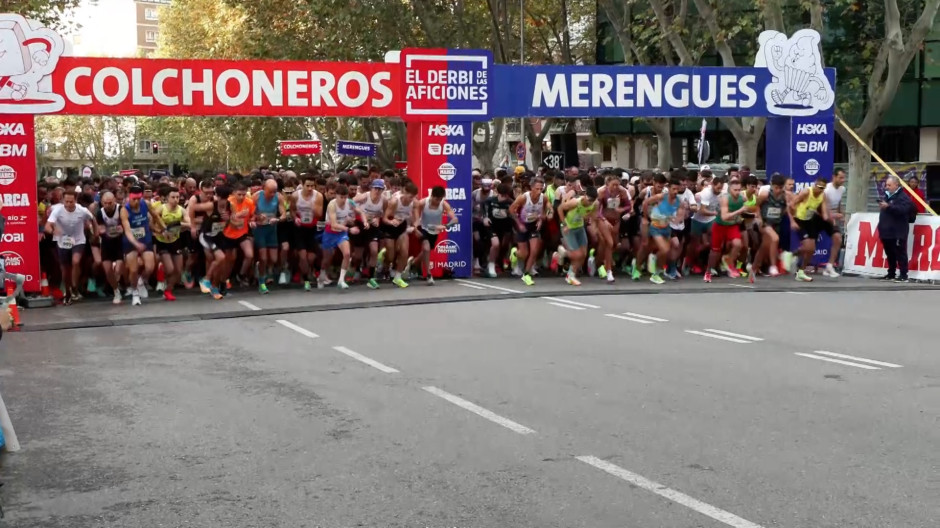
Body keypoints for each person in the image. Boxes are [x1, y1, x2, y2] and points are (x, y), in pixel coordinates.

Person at [45, 190, 99, 305]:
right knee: (65, 269)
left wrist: (96, 233)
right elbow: (47, 226)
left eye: (71, 201)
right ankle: (68, 290)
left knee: (75, 261)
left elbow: (93, 219)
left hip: (78, 240)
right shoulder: (58, 210)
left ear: (76, 200)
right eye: (67, 201)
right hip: (62, 241)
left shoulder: (82, 210)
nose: (69, 204)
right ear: (63, 200)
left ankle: (75, 286)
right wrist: (54, 230)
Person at [789, 177, 837, 282]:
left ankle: (801, 270)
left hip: (808, 221)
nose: (820, 190)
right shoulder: (806, 192)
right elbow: (791, 205)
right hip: (799, 220)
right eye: (819, 187)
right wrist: (792, 221)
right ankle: (793, 257)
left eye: (823, 188)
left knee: (811, 249)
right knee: (808, 247)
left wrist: (830, 218)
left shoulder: (822, 195)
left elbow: (824, 214)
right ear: (815, 185)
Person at [121, 185, 162, 306]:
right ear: (130, 197)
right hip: (130, 242)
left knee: (150, 267)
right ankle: (135, 292)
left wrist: (163, 228)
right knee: (133, 270)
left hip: (145, 239)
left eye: (139, 199)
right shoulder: (124, 210)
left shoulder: (146, 204)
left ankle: (140, 281)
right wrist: (135, 243)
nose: (137, 202)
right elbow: (127, 230)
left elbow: (156, 216)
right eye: (134, 199)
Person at [705, 179, 748, 283]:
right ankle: (708, 272)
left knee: (738, 244)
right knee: (715, 251)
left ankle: (729, 262)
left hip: (732, 226)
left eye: (739, 190)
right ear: (729, 190)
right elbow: (724, 217)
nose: (737, 192)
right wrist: (739, 211)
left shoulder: (742, 198)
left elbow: (749, 205)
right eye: (735, 190)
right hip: (720, 225)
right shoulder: (725, 199)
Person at [414, 186, 458, 286]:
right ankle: (429, 274)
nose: (438, 201)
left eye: (440, 199)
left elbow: (455, 219)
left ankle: (414, 263)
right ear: (432, 196)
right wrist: (416, 225)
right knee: (426, 247)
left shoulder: (444, 204)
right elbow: (415, 213)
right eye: (436, 199)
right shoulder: (423, 203)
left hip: (434, 231)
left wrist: (445, 225)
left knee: (427, 250)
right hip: (423, 228)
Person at [152, 185, 189, 301]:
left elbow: (189, 224)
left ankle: (168, 290)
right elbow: (150, 223)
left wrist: (178, 224)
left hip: (175, 241)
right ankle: (161, 272)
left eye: (178, 197)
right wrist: (160, 230)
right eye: (173, 197)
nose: (176, 200)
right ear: (167, 198)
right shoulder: (161, 209)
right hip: (162, 242)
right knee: (170, 269)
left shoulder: (181, 210)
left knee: (178, 271)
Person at [508, 177, 548, 286]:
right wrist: (519, 223)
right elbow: (511, 210)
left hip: (533, 226)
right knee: (524, 253)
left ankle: (526, 274)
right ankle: (515, 253)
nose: (539, 191)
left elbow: (544, 211)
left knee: (534, 250)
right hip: (522, 225)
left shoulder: (543, 198)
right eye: (537, 189)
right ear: (531, 188)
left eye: (541, 189)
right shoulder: (523, 198)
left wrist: (541, 219)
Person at [558, 185, 600, 286]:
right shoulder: (575, 202)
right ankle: (562, 256)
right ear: (585, 195)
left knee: (583, 254)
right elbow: (560, 208)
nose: (590, 202)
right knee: (577, 255)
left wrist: (594, 227)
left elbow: (594, 216)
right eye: (589, 199)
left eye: (592, 200)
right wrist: (564, 224)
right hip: (569, 228)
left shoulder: (595, 204)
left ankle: (571, 274)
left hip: (580, 227)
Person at [321, 184, 359, 290]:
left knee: (347, 253)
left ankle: (341, 280)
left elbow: (359, 211)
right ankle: (322, 274)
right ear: (336, 196)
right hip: (329, 233)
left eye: (345, 197)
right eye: (341, 197)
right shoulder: (331, 205)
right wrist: (349, 229)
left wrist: (363, 220)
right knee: (327, 259)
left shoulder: (349, 202)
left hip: (341, 233)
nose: (343, 199)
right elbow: (333, 225)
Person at [381, 181, 418, 288]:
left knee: (404, 252)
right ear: (404, 192)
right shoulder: (394, 201)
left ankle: (397, 277)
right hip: (389, 226)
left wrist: (414, 226)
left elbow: (416, 219)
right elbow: (384, 218)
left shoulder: (414, 202)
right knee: (391, 255)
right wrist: (391, 222)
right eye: (410, 196)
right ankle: (384, 261)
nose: (411, 199)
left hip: (401, 227)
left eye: (413, 197)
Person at [290, 175, 324, 291]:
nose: (310, 188)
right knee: (303, 256)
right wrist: (296, 218)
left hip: (312, 228)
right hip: (300, 228)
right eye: (307, 186)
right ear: (302, 185)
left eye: (312, 186)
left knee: (310, 258)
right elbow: (292, 210)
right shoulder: (295, 195)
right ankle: (306, 280)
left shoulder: (318, 196)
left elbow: (319, 214)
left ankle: (305, 272)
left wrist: (313, 208)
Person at [878, 175, 915, 282]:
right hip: (886, 231)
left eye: (889, 185)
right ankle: (891, 273)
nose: (887, 187)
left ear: (896, 185)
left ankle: (903, 275)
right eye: (886, 185)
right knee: (890, 253)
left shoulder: (903, 197)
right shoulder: (887, 196)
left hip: (898, 231)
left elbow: (903, 210)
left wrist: (889, 206)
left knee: (900, 252)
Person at [253, 179, 286, 294]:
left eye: (274, 191)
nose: (272, 194)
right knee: (263, 257)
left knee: (273, 258)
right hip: (259, 229)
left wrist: (277, 219)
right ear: (264, 189)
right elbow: (249, 213)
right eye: (270, 192)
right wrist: (257, 216)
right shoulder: (256, 196)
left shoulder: (279, 197)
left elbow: (284, 214)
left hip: (271, 229)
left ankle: (261, 268)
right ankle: (262, 283)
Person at [751, 173, 788, 279]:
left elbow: (787, 209)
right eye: (776, 187)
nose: (778, 190)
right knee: (775, 239)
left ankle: (753, 269)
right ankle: (773, 266)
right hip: (764, 222)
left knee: (764, 247)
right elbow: (756, 206)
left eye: (781, 188)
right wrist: (759, 219)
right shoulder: (765, 194)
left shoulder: (785, 196)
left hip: (775, 223)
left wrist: (782, 213)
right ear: (772, 185)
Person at [353, 179, 387, 289]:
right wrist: (361, 213)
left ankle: (371, 278)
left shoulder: (384, 200)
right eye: (375, 188)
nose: (377, 191)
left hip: (373, 227)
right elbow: (350, 202)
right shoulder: (365, 196)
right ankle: (357, 269)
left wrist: (377, 218)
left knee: (373, 250)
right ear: (371, 188)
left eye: (380, 189)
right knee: (358, 255)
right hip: (361, 225)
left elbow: (383, 213)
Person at [95, 191, 126, 304]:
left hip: (119, 242)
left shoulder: (120, 209)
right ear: (102, 202)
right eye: (105, 203)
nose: (107, 205)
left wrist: (120, 229)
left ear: (114, 201)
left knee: (118, 270)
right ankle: (115, 290)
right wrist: (106, 231)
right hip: (107, 243)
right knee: (108, 270)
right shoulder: (100, 213)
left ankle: (117, 287)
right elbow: (101, 230)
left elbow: (124, 225)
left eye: (110, 203)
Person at [821, 168, 846, 277]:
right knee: (809, 244)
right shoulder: (826, 189)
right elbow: (824, 209)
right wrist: (835, 216)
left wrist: (842, 215)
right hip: (820, 216)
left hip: (831, 217)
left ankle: (829, 266)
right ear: (834, 177)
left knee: (838, 238)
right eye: (840, 177)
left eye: (844, 178)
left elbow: (839, 203)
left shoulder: (842, 189)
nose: (842, 180)